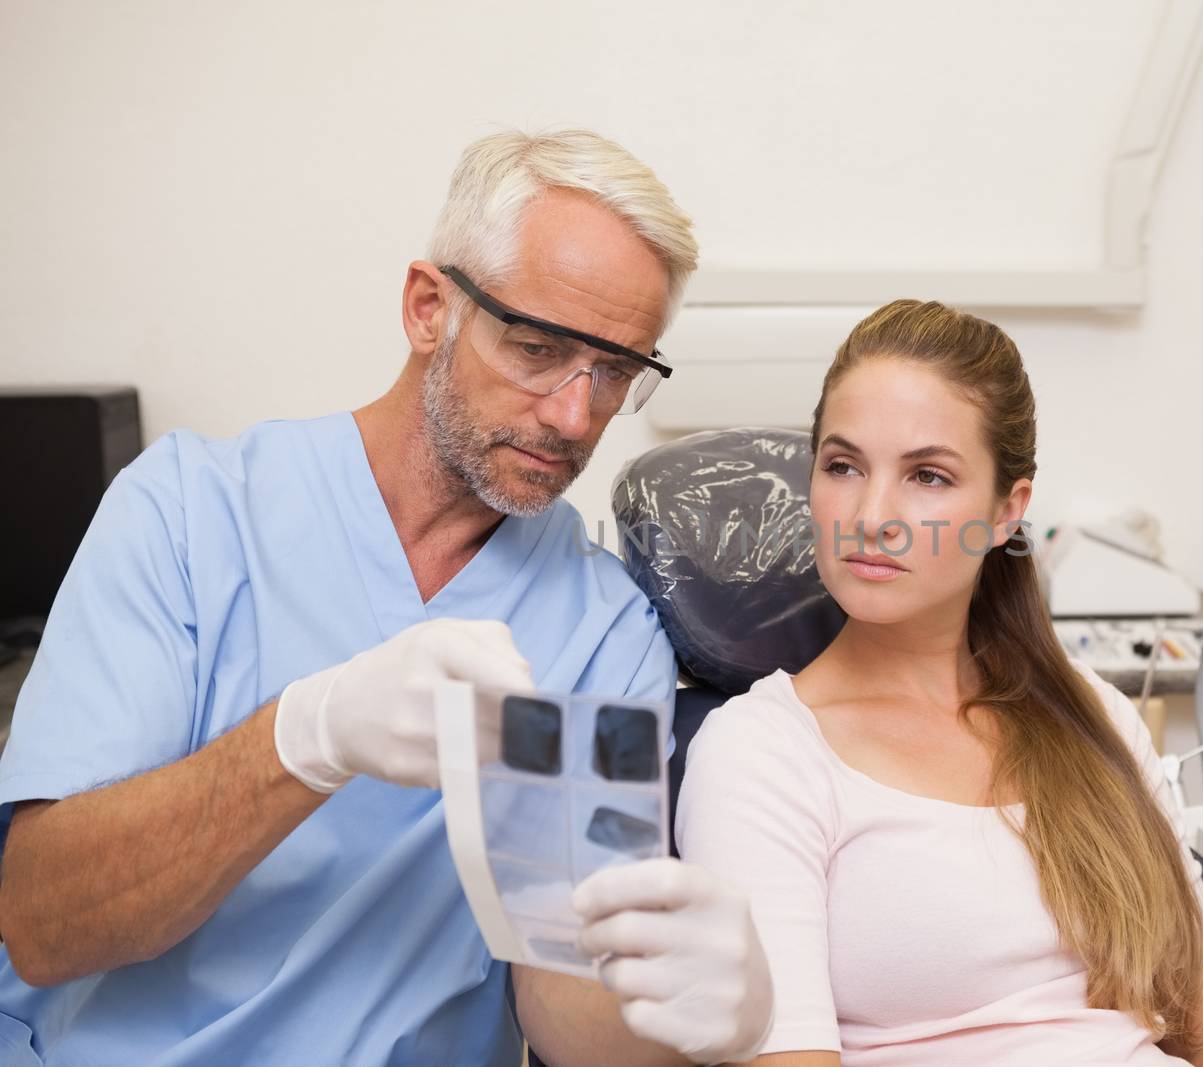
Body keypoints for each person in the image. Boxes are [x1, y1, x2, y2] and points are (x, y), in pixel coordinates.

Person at [0, 129, 773, 1067]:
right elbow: (43, 921)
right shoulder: (191, 518)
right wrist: (304, 737)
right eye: (538, 348)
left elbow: (563, 1005)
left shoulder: (600, 633)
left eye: (616, 371)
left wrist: (684, 1012)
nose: (576, 415)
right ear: (427, 308)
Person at [675, 300, 1203, 1066]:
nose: (871, 515)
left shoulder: (1092, 715)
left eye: (927, 475)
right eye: (843, 465)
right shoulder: (762, 754)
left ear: (1005, 512)